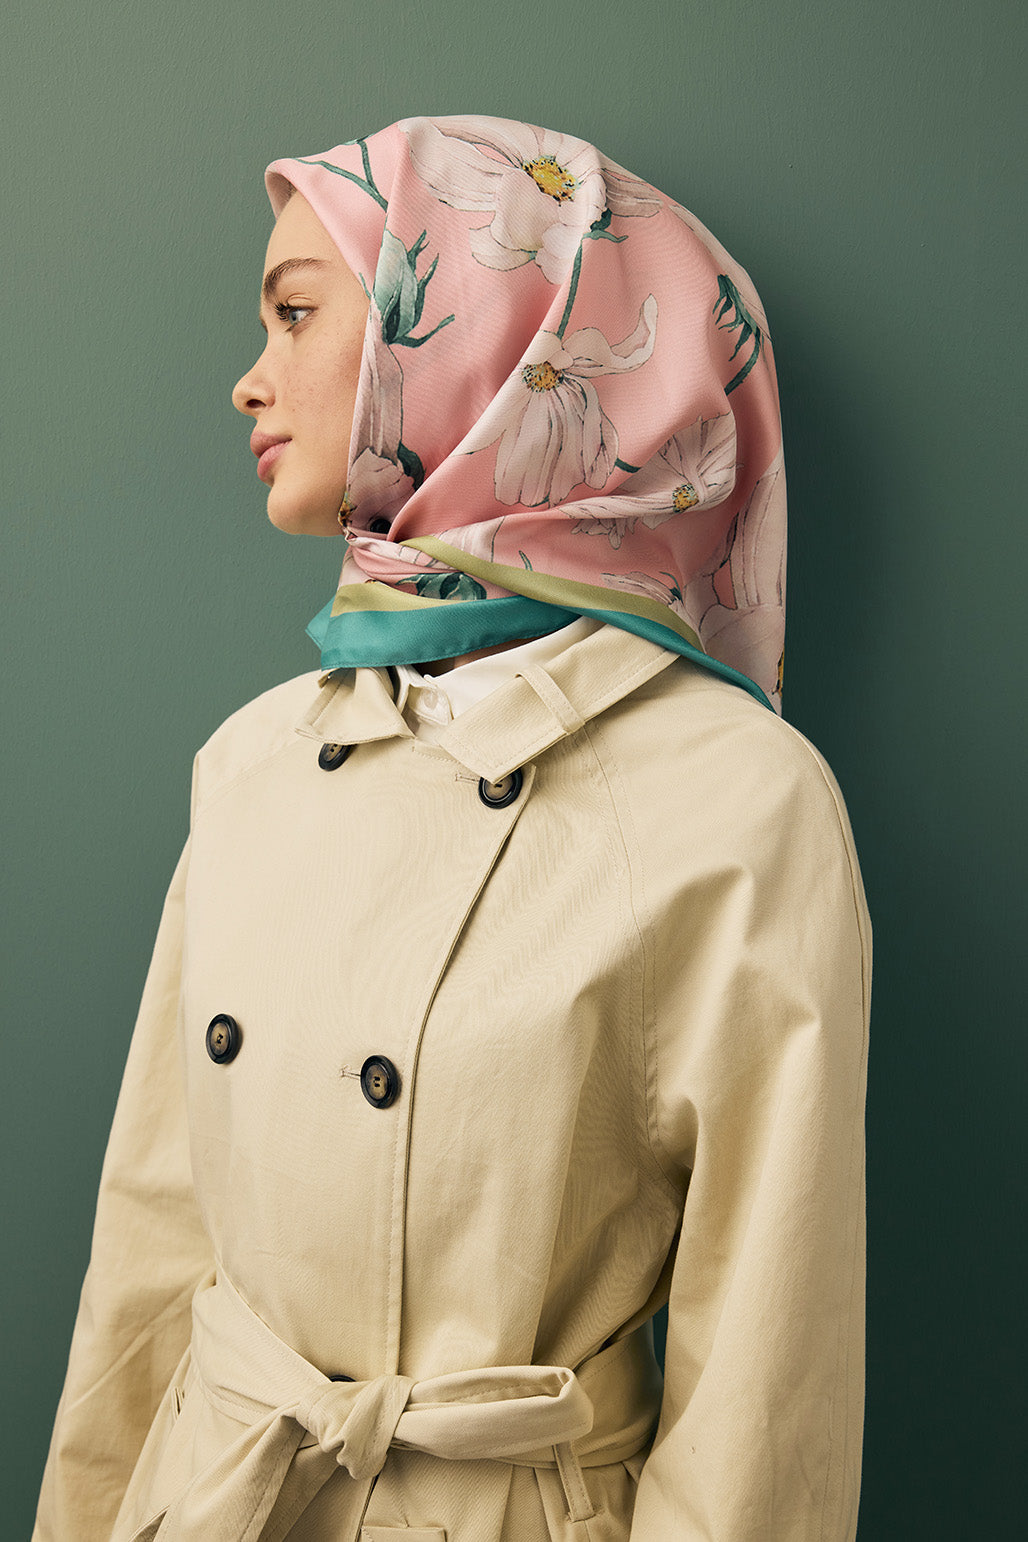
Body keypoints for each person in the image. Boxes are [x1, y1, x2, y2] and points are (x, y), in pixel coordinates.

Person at [33, 116, 870, 1541]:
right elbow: (147, 1258)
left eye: (297, 312)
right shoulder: (252, 763)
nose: (248, 379)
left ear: (495, 339)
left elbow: (764, 1392)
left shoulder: (739, 801)